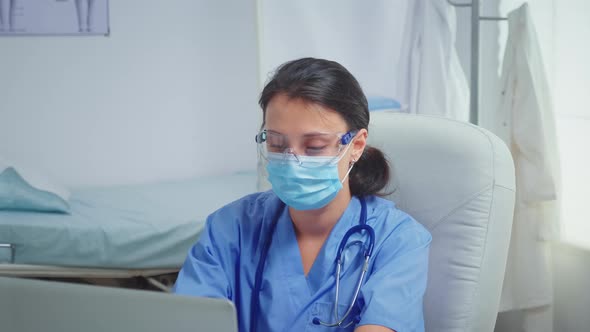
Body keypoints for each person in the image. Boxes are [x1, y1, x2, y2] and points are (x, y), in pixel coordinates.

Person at [173, 58, 432, 332]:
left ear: (355, 146)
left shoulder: (398, 240)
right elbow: (190, 320)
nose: (291, 160)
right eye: (276, 143)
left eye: (314, 146)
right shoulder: (230, 228)